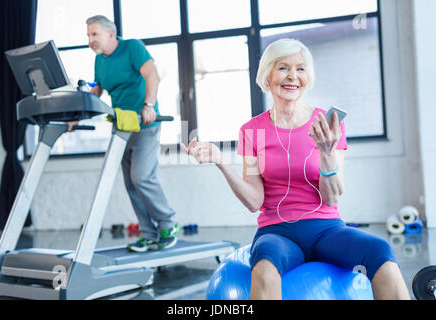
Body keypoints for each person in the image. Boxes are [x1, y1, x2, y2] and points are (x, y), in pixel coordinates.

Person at [181, 38, 410, 300]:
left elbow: (332, 197)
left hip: (327, 229)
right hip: (277, 231)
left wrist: (326, 153)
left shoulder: (328, 125)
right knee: (265, 267)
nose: (293, 76)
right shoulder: (252, 131)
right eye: (283, 67)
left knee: (380, 251)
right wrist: (221, 161)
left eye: (300, 69)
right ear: (267, 75)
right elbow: (255, 201)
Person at [69, 15, 179, 252]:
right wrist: (76, 115)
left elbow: (152, 75)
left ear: (111, 34)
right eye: (88, 35)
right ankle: (149, 234)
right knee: (131, 184)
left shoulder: (132, 47)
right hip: (121, 127)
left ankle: (168, 224)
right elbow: (96, 91)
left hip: (145, 124)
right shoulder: (100, 61)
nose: (90, 40)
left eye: (94, 34)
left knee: (142, 177)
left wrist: (149, 105)